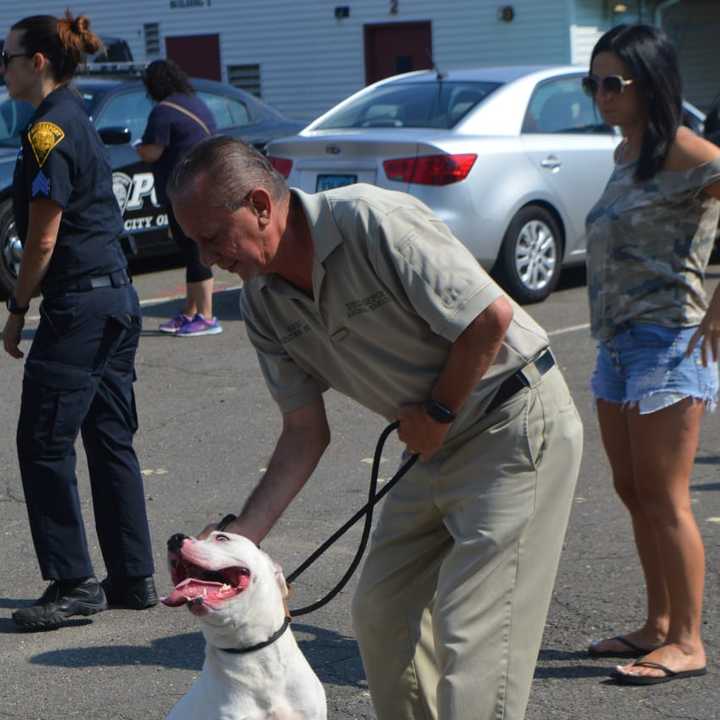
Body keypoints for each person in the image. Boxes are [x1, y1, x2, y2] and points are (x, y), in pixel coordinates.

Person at [167, 136, 584, 720]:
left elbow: (490, 318)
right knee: (382, 615)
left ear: (261, 204)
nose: (208, 259)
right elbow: (304, 431)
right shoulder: (262, 302)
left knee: (476, 640)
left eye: (213, 237)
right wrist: (238, 541)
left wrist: (438, 412)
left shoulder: (370, 221)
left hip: (511, 421)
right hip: (432, 444)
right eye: (195, 244)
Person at [2, 12, 157, 631]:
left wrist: (16, 308)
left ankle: (72, 583)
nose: (3, 67)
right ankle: (132, 576)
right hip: (116, 298)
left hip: (80, 308)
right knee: (107, 436)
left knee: (41, 442)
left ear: (37, 61)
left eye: (7, 55)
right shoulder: (74, 117)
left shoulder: (46, 130)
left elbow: (42, 239)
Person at [582, 24, 720, 684]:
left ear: (651, 85)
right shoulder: (626, 154)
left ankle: (689, 642)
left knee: (666, 498)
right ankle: (658, 624)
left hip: (669, 343)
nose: (600, 96)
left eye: (613, 84)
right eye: (594, 83)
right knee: (632, 489)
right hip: (615, 346)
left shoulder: (688, 153)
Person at [137, 58, 221, 337]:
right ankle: (191, 311)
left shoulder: (163, 112)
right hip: (205, 185)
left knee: (194, 250)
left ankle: (206, 317)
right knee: (192, 250)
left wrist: (138, 148)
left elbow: (152, 152)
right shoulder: (195, 103)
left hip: (183, 192)